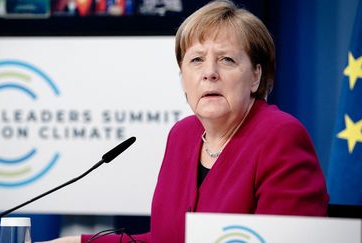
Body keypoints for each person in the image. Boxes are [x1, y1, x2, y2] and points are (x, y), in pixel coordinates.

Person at [39, 0, 329, 242]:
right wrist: (75, 242)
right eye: (196, 60)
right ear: (183, 78)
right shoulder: (184, 135)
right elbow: (166, 240)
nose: (209, 73)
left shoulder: (279, 136)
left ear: (255, 75)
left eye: (227, 59)